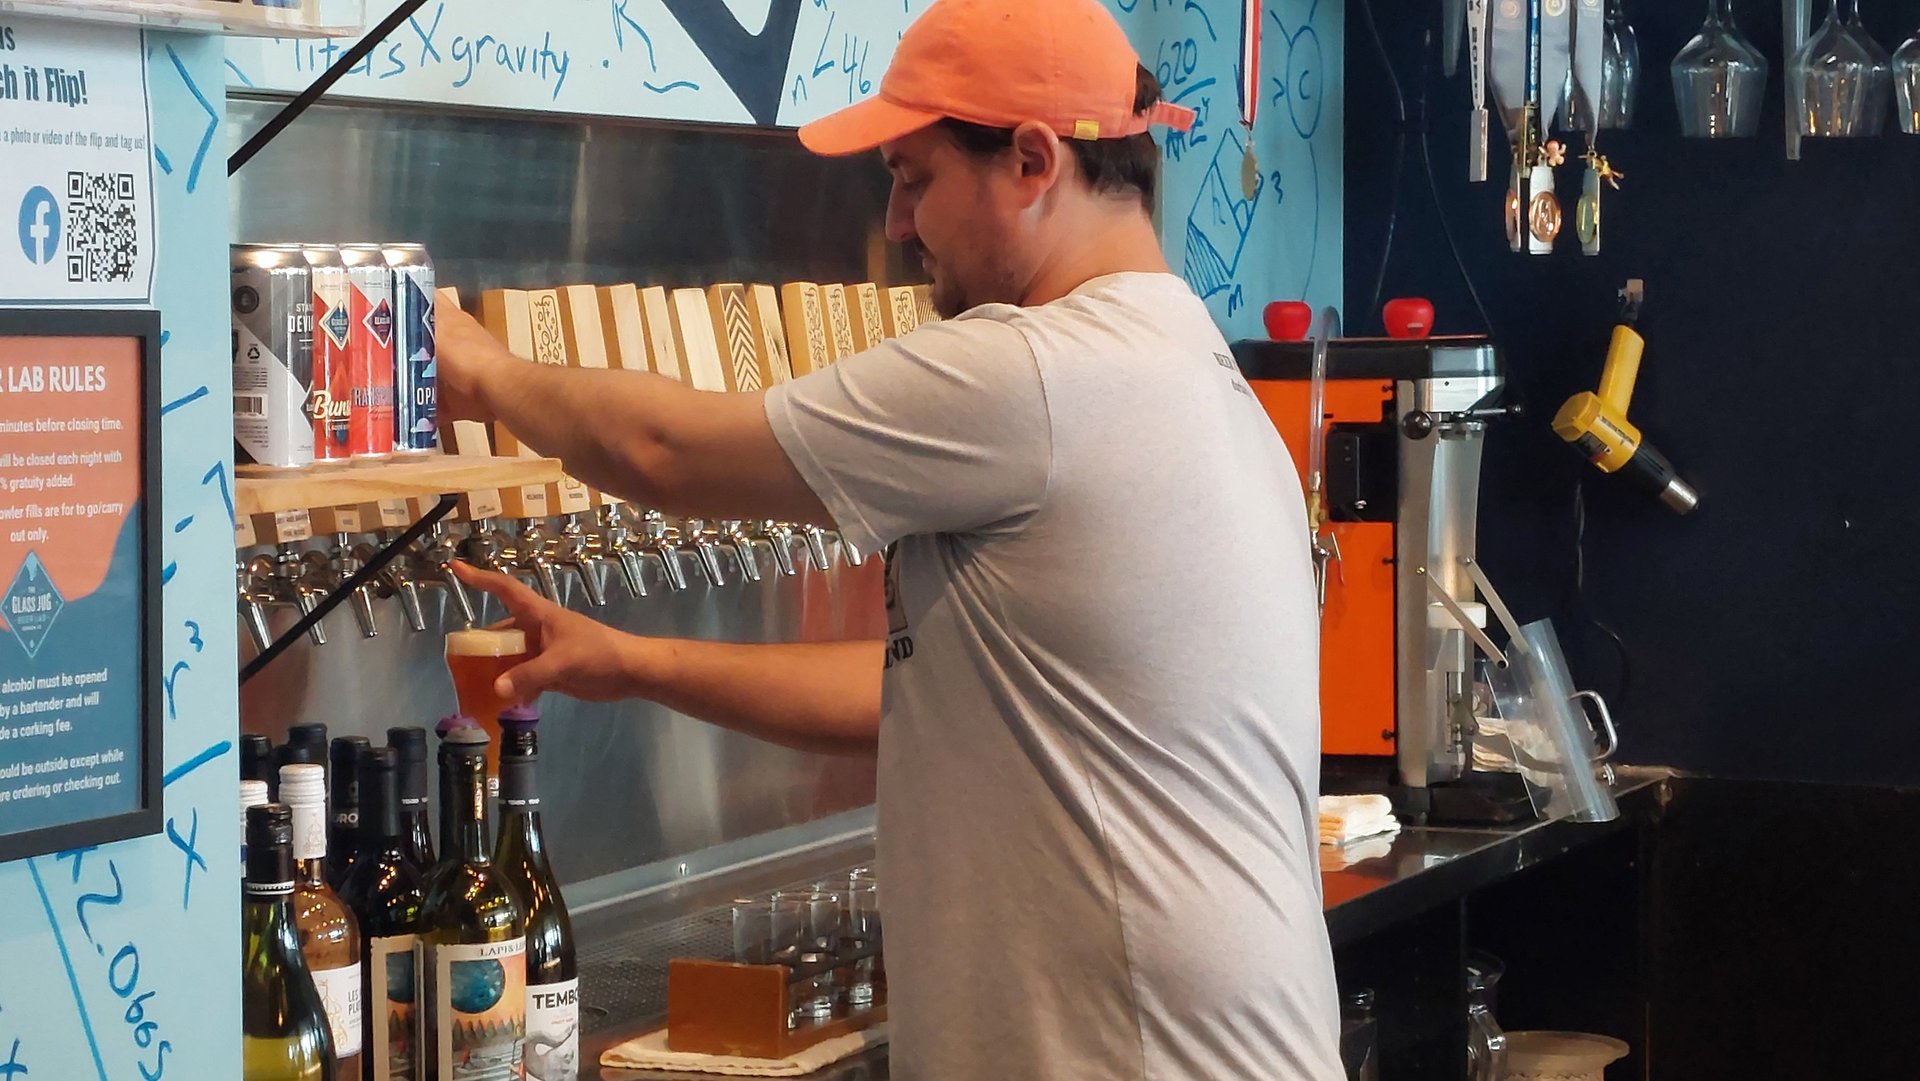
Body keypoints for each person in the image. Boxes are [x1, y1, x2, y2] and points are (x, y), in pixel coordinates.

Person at [434, 0, 1342, 1076]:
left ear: (1032, 160)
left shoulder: (1034, 371)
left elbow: (666, 453)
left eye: (913, 177)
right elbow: (926, 690)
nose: (900, 224)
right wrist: (631, 662)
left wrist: (474, 364)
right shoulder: (1190, 365)